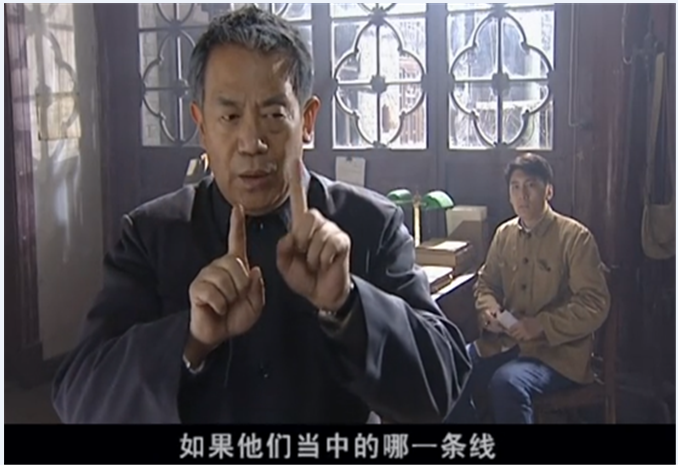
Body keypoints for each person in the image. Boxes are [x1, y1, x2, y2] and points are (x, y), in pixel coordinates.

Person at [52, 6, 471, 424]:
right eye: (229, 116)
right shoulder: (151, 235)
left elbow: (442, 385)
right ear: (201, 125)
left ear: (307, 121)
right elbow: (79, 398)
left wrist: (347, 304)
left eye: (273, 115)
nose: (251, 142)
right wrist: (191, 339)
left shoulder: (370, 224)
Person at [446, 153, 610, 424]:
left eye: (531, 186)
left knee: (506, 383)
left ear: (549, 191)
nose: (522, 195)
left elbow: (594, 303)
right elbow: (486, 283)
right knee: (451, 365)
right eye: (515, 187)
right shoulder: (504, 234)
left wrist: (542, 325)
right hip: (505, 342)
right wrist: (490, 311)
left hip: (557, 354)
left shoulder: (575, 238)